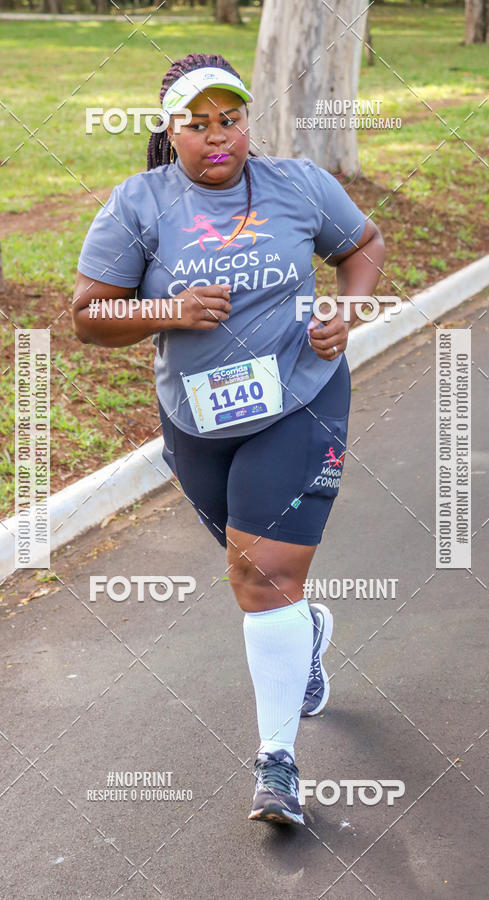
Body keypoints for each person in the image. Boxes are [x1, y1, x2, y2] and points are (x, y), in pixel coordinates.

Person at [72, 52, 385, 827]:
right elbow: (87, 316)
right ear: (169, 129)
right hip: (197, 422)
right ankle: (307, 630)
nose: (219, 138)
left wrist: (348, 311)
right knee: (260, 580)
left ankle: (277, 765)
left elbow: (364, 246)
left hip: (300, 403)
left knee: (260, 580)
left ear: (249, 120)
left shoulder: (299, 185)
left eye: (231, 119)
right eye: (198, 123)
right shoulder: (138, 205)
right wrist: (167, 312)